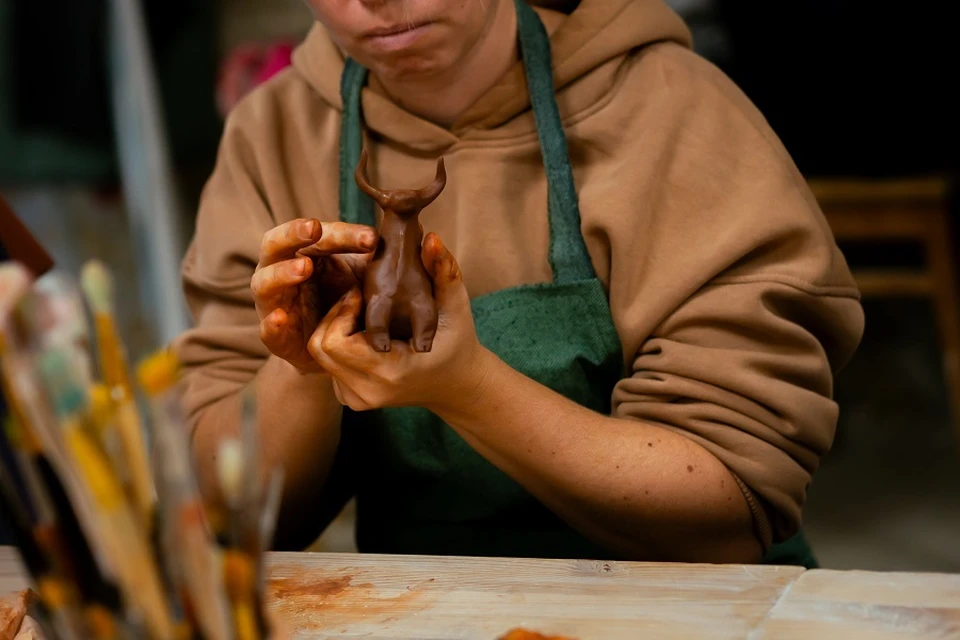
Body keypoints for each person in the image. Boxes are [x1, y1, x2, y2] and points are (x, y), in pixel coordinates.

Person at [173, 0, 864, 567]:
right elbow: (238, 523)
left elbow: (725, 513)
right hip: (420, 611)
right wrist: (299, 367)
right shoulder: (274, 133)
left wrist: (467, 388)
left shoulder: (672, 111)